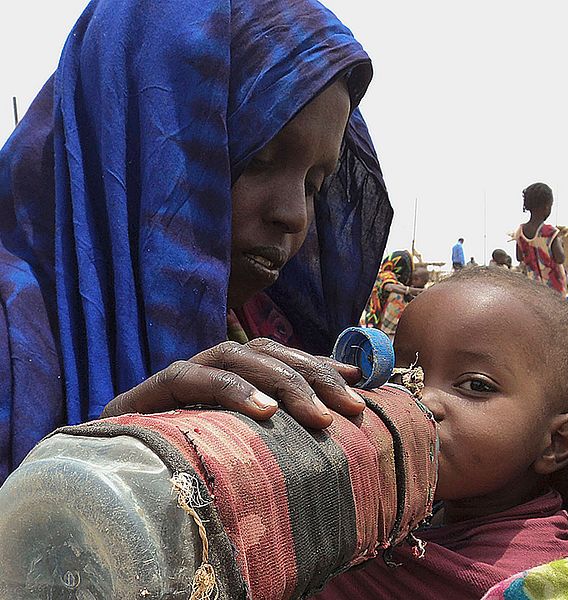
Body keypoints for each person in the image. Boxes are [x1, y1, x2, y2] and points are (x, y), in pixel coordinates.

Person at [0, 0, 393, 483]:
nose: (292, 215)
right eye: (259, 157)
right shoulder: (12, 350)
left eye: (315, 184)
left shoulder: (260, 343)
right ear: (142, 136)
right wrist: (103, 473)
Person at [315, 266, 568, 599]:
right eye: (404, 376)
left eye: (475, 385)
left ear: (555, 443)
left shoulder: (523, 582)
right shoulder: (406, 507)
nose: (420, 399)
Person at [513, 182, 568, 296]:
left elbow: (519, 257)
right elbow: (560, 258)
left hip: (533, 288)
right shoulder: (549, 232)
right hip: (554, 288)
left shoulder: (519, 231)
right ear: (546, 207)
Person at [361, 251, 429, 340]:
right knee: (397, 296)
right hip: (384, 329)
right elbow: (389, 287)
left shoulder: (390, 278)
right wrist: (413, 291)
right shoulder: (386, 274)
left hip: (376, 324)